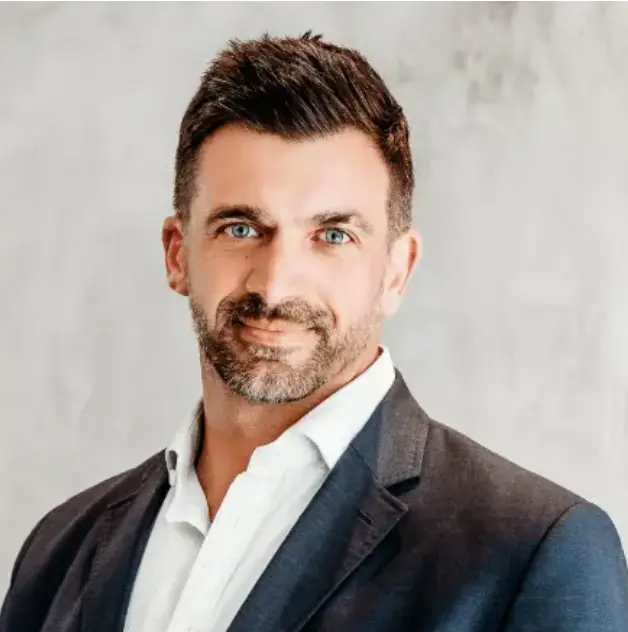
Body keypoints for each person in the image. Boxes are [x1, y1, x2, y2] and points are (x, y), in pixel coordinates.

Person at [1, 32, 627, 632]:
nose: (276, 286)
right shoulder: (60, 551)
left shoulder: (533, 553)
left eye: (332, 236)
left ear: (397, 270)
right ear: (177, 253)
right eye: (241, 228)